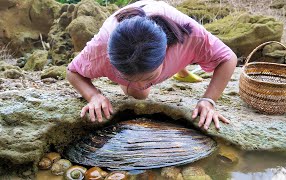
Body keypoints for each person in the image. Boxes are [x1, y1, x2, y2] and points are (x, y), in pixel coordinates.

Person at [67, 0, 237, 130]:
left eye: (149, 77)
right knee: (139, 95)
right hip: (130, 31)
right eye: (127, 77)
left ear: (165, 51)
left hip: (170, 33)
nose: (141, 85)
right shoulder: (100, 50)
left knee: (141, 88)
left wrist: (208, 101)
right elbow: (72, 72)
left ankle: (181, 68)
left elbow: (228, 59)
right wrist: (93, 95)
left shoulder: (191, 36)